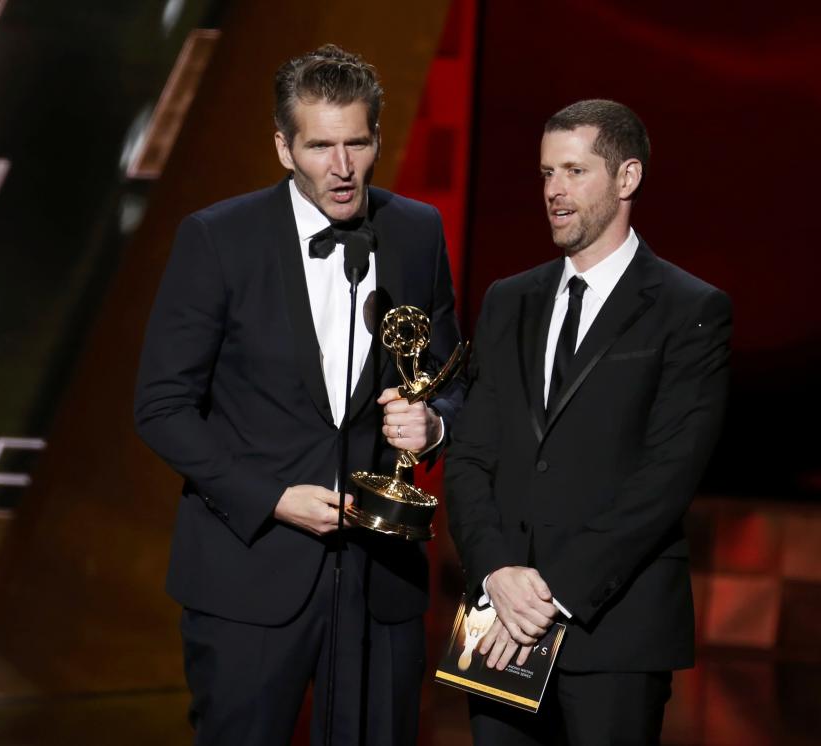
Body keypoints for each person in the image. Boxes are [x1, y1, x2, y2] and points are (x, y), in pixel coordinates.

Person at [134, 44, 462, 746]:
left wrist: (432, 428)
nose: (341, 168)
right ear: (284, 146)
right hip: (248, 573)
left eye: (356, 144)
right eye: (320, 146)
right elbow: (161, 406)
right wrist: (273, 496)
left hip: (380, 583)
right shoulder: (218, 239)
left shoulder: (416, 231)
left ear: (377, 137)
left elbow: (451, 379)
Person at [445, 99, 732, 745]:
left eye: (574, 172)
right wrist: (495, 573)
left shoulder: (691, 310)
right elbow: (470, 454)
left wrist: (550, 594)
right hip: (498, 625)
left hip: (614, 634)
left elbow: (666, 478)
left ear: (627, 178)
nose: (554, 191)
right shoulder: (507, 299)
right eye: (547, 174)